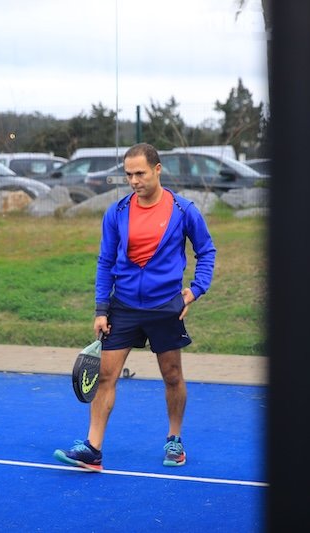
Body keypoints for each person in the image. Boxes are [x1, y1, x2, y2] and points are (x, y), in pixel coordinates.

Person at [54, 143, 217, 471]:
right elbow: (105, 262)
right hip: (124, 306)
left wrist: (196, 290)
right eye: (128, 174)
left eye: (140, 173)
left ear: (157, 169)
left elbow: (206, 250)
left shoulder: (184, 210)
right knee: (105, 376)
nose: (133, 180)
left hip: (165, 307)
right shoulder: (117, 212)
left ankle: (174, 439)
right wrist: (101, 309)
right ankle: (92, 449)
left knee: (172, 376)